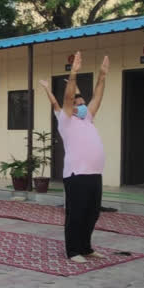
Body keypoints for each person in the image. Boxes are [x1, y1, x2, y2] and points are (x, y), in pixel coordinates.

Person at [56, 51, 108, 263]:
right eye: (78, 103)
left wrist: (103, 76)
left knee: (92, 213)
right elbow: (68, 97)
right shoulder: (65, 120)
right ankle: (73, 250)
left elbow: (98, 96)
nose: (81, 105)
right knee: (76, 214)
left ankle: (86, 247)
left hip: (95, 173)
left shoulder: (88, 119)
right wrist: (74, 72)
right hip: (76, 174)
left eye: (82, 102)